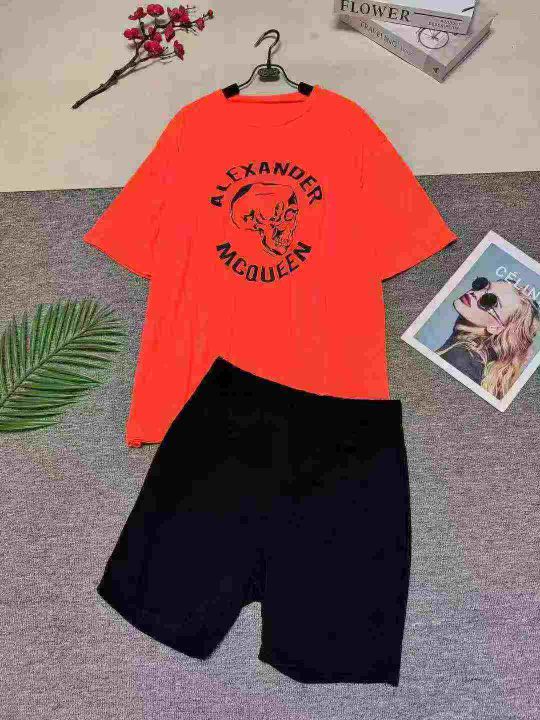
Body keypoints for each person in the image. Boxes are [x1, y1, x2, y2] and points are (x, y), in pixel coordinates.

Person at [437, 276, 540, 398]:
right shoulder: (463, 354)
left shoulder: (459, 361)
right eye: (482, 285)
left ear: (495, 328)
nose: (476, 293)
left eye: (489, 300)